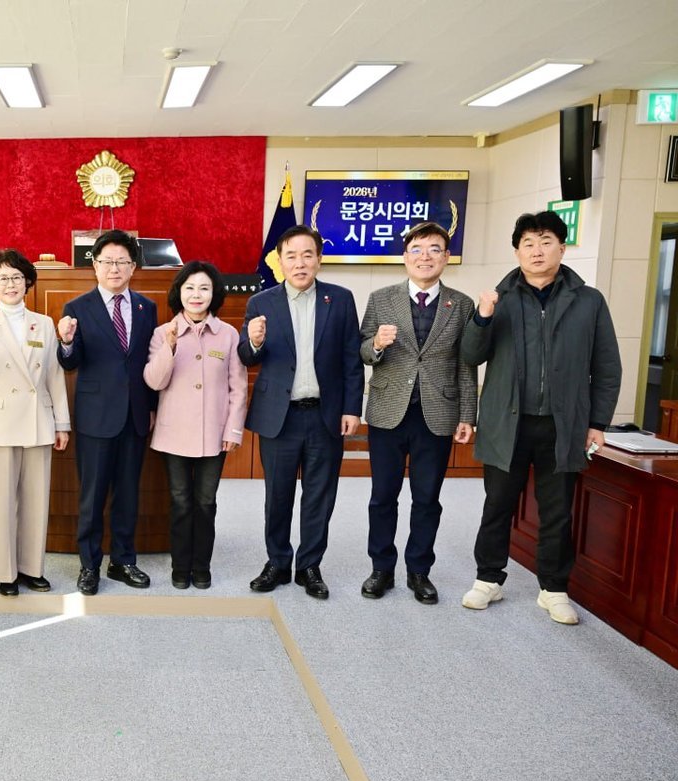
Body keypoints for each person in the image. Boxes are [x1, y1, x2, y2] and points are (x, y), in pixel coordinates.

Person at [460, 210, 621, 624]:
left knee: (557, 510)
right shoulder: (500, 298)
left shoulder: (588, 301)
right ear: (517, 251)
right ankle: (488, 579)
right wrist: (482, 316)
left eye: (546, 242)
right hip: (507, 422)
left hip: (562, 425)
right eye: (528, 243)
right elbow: (470, 355)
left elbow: (606, 366)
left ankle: (553, 588)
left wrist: (598, 423)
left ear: (562, 248)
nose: (537, 251)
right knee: (498, 504)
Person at [238, 225, 364, 600]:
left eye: (307, 255)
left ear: (319, 259)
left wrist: (352, 408)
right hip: (280, 416)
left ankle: (309, 566)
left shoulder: (340, 299)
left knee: (319, 496)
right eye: (291, 256)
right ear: (279, 261)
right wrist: (254, 341)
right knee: (277, 495)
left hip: (325, 414)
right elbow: (246, 357)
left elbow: (351, 359)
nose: (300, 262)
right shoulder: (261, 302)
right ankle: (277, 562)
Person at [358, 222, 477, 604]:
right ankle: (381, 568)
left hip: (437, 412)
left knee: (427, 498)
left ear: (446, 257)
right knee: (383, 496)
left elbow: (466, 363)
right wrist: (376, 344)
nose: (425, 257)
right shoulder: (381, 299)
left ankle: (419, 571)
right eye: (417, 249)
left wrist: (468, 414)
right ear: (405, 256)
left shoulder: (461, 304)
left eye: (434, 249)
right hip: (388, 411)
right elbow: (362, 351)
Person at [0, 249, 70, 596]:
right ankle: (5, 572)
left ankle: (32, 568)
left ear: (27, 282)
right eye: (3, 278)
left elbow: (54, 376)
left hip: (38, 419)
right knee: (1, 501)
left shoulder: (44, 323)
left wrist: (62, 424)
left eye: (17, 277)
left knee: (36, 499)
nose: (10, 284)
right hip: (0, 422)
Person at [57, 229, 158, 596]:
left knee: (128, 493)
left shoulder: (147, 307)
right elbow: (71, 363)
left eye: (122, 262)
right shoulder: (77, 308)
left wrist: (151, 408)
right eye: (107, 261)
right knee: (93, 494)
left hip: (135, 414)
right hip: (96, 415)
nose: (115, 268)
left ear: (133, 267)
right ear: (95, 265)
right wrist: (66, 342)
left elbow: (149, 362)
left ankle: (123, 560)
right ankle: (89, 565)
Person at [144, 261, 246, 590]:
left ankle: (201, 566)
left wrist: (233, 430)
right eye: (189, 288)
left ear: (214, 294)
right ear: (179, 293)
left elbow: (238, 387)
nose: (196, 294)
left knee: (206, 502)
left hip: (214, 434)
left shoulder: (228, 334)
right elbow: (154, 381)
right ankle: (180, 567)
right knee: (180, 501)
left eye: (204, 288)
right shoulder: (163, 332)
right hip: (173, 434)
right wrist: (170, 347)